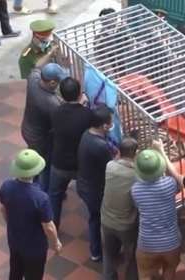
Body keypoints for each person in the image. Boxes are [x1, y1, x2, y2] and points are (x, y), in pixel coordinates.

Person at [0, 149, 62, 280]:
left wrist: (12, 224)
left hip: (14, 240)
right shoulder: (40, 198)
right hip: (35, 248)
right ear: (36, 171)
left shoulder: (6, 186)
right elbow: (49, 227)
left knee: (15, 272)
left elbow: (2, 209)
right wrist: (56, 243)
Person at [132, 140, 182, 280]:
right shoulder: (170, 184)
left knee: (144, 274)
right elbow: (178, 180)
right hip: (171, 241)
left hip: (147, 243)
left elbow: (137, 206)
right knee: (170, 270)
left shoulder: (136, 189)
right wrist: (161, 151)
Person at [20, 51, 69, 195]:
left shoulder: (34, 79)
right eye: (59, 81)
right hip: (40, 138)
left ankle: (32, 182)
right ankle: (42, 192)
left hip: (28, 129)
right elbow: (63, 111)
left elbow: (38, 65)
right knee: (44, 165)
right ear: (52, 82)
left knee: (34, 157)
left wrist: (51, 52)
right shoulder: (49, 102)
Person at [48, 77, 92, 230]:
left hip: (59, 162)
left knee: (54, 194)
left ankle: (54, 226)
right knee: (89, 195)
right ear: (80, 93)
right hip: (81, 164)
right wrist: (83, 106)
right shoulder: (88, 115)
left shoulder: (55, 113)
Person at [77, 103, 114, 262]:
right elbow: (110, 167)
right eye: (111, 123)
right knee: (99, 220)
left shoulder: (86, 134)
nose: (112, 125)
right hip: (95, 191)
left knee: (93, 217)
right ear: (104, 125)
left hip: (84, 185)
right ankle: (99, 250)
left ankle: (96, 250)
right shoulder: (100, 146)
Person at [101, 136, 139, 280]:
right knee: (132, 257)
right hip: (126, 225)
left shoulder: (109, 166)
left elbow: (116, 159)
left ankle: (108, 277)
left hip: (106, 221)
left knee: (108, 256)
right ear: (135, 153)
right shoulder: (137, 175)